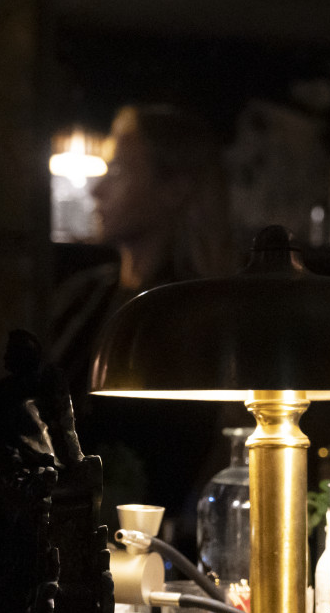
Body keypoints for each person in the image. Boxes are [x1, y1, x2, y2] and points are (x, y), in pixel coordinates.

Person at [48, 104, 239, 547]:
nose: (96, 189)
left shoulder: (194, 313)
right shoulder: (83, 296)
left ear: (174, 188)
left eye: (117, 171)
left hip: (148, 547)